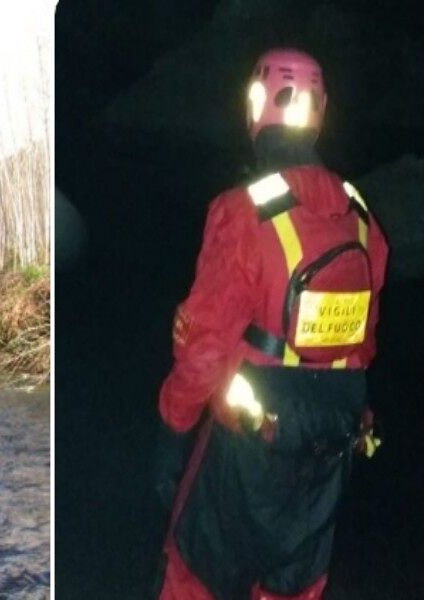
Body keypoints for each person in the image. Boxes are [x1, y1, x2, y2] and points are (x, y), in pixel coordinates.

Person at [154, 48, 388, 600]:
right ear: (319, 112)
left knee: (193, 577)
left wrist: (171, 430)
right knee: (295, 587)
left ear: (258, 104)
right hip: (331, 446)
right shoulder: (361, 217)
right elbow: (365, 342)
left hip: (249, 448)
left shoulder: (242, 211)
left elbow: (204, 347)